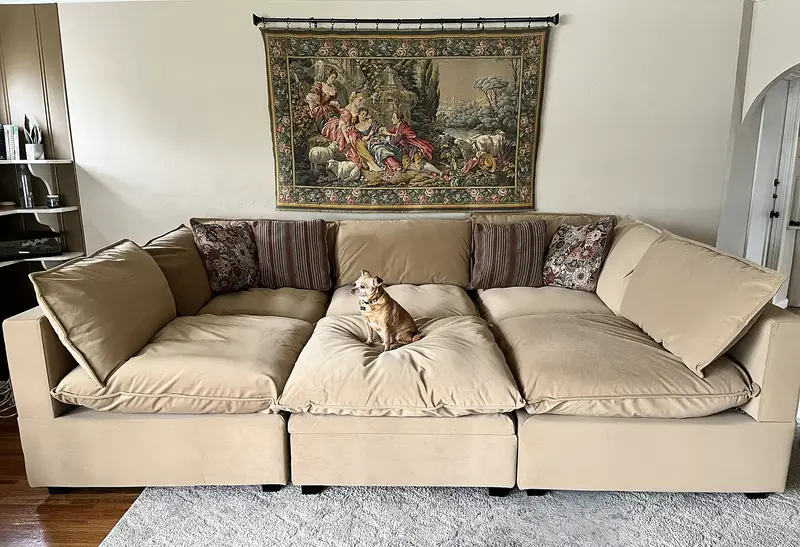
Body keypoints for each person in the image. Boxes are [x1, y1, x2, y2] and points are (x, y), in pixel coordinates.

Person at [320, 91, 365, 166]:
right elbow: (343, 126)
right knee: (352, 137)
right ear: (354, 99)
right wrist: (347, 139)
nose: (361, 102)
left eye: (362, 100)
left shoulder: (359, 110)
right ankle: (355, 158)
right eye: (360, 100)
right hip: (342, 129)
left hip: (352, 128)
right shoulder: (347, 111)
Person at [355, 108, 402, 172]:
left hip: (377, 139)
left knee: (385, 147)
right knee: (379, 149)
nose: (364, 116)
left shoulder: (370, 122)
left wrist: (391, 134)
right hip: (369, 144)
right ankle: (393, 165)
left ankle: (394, 165)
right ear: (358, 114)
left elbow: (380, 129)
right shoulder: (356, 127)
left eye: (365, 114)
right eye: (362, 114)